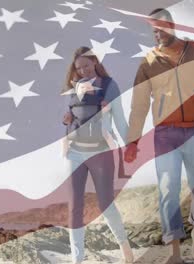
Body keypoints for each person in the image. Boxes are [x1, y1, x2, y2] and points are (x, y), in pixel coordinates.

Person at [124, 8, 194, 264]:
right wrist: (132, 140)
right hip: (166, 134)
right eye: (154, 30)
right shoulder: (148, 62)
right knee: (168, 189)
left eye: (162, 28)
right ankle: (174, 249)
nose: (158, 34)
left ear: (172, 25)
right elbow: (139, 105)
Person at [62, 46, 134, 264]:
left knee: (105, 203)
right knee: (75, 206)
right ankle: (78, 259)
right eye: (78, 68)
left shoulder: (110, 86)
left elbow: (120, 120)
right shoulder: (74, 87)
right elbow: (75, 115)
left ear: (94, 61)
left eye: (86, 65)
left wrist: (130, 145)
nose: (83, 70)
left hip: (101, 151)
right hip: (74, 152)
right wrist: (67, 118)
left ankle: (124, 246)